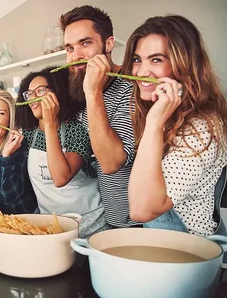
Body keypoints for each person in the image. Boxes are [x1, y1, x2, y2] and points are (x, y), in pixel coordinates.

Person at [122, 15, 227, 263]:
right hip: (171, 251)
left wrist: (154, 122)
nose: (141, 72)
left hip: (197, 260)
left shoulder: (202, 128)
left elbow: (142, 209)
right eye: (137, 60)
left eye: (156, 60)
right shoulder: (170, 116)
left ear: (184, 65)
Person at [60, 6, 137, 228]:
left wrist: (93, 92)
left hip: (143, 222)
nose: (76, 56)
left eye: (85, 43)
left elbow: (112, 162)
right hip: (111, 219)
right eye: (69, 48)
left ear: (109, 44)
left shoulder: (133, 86)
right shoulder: (84, 88)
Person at [15, 66, 107, 238]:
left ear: (57, 93)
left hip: (89, 223)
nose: (33, 98)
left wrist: (50, 123)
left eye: (40, 91)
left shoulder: (77, 129)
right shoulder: (28, 133)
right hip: (51, 225)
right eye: (29, 94)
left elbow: (60, 178)